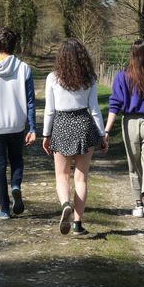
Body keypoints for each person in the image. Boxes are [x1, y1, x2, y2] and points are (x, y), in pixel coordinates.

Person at [42, 38, 107, 236]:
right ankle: (78, 224)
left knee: (62, 175)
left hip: (61, 125)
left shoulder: (52, 78)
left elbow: (49, 111)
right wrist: (102, 134)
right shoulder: (90, 79)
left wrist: (46, 134)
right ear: (82, 57)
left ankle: (65, 205)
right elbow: (94, 109)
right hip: (84, 125)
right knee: (81, 178)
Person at [104, 39, 144, 226]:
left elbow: (114, 105)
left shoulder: (122, 77)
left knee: (134, 165)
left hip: (129, 123)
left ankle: (138, 205)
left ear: (132, 54)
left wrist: (107, 130)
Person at [0, 27, 37, 220]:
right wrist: (32, 127)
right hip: (16, 125)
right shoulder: (24, 69)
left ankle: (4, 209)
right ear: (15, 47)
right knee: (17, 160)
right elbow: (30, 101)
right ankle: (16, 186)